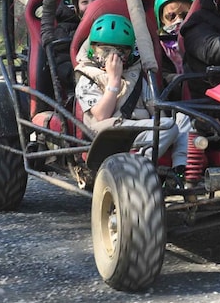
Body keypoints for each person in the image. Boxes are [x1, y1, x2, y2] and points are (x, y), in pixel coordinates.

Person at [74, 13, 191, 182]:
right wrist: (114, 79)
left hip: (139, 127)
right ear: (93, 48)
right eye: (105, 50)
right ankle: (138, 169)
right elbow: (101, 115)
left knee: (181, 118)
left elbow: (155, 107)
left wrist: (163, 122)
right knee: (168, 127)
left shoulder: (134, 75)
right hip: (109, 131)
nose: (112, 57)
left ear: (130, 52)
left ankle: (180, 169)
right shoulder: (87, 77)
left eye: (120, 52)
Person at [152, 0, 194, 86]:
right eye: (171, 16)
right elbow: (162, 75)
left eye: (185, 15)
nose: (179, 20)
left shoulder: (200, 40)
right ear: (161, 19)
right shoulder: (157, 47)